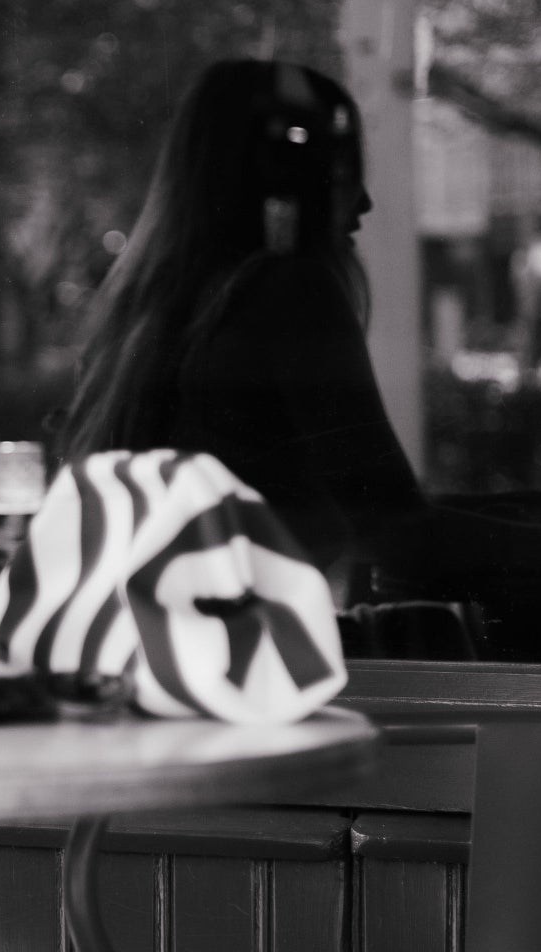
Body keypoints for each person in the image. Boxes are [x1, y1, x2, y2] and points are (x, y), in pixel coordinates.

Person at [58, 58, 423, 580]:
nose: (363, 203)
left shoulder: (143, 313)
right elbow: (394, 524)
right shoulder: (289, 293)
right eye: (340, 171)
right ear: (283, 177)